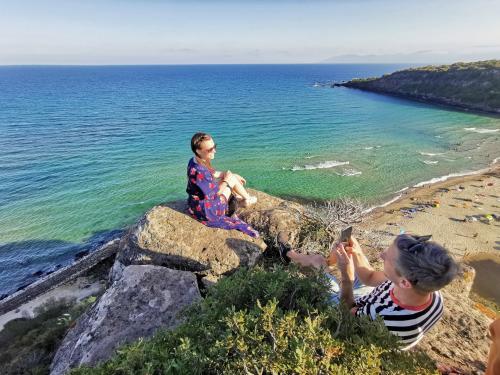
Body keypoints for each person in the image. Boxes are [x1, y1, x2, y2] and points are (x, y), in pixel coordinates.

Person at [281, 233, 459, 350]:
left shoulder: (383, 316)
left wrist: (346, 278)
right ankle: (304, 257)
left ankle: (287, 253)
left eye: (387, 257)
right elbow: (371, 277)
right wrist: (357, 252)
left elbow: (345, 314)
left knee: (318, 262)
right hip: (366, 301)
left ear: (404, 282)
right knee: (348, 257)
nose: (381, 255)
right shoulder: (429, 290)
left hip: (351, 319)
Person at [186, 132, 259, 238]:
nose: (214, 150)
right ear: (198, 151)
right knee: (231, 180)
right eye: (210, 149)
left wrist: (227, 174)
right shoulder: (200, 170)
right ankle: (247, 199)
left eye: (214, 147)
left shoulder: (194, 161)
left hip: (195, 204)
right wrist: (227, 181)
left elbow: (213, 174)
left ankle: (240, 198)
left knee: (231, 177)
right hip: (208, 211)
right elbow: (215, 194)